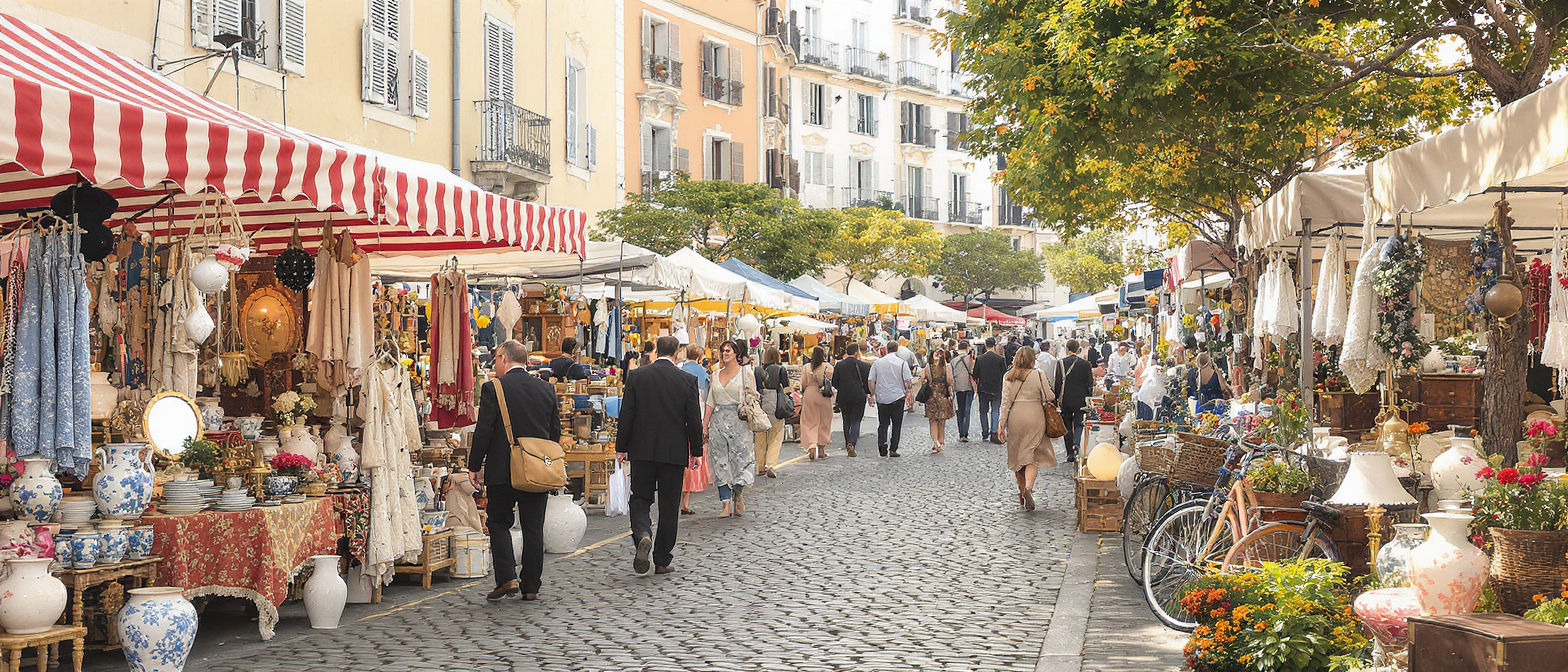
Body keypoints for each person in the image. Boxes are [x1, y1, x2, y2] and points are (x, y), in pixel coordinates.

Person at [468, 340, 560, 601]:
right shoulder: (546, 389)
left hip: (503, 469)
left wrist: (474, 466)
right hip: (537, 468)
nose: (495, 364)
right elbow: (555, 433)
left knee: (498, 522)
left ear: (504, 358)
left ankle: (506, 576)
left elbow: (483, 431)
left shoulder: (493, 388)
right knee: (533, 527)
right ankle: (531, 586)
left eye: (496, 359)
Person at [616, 336, 704, 576]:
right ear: (676, 352)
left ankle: (643, 533)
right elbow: (693, 419)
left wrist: (621, 447)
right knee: (669, 505)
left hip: (642, 449)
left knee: (640, 498)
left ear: (655, 351)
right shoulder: (687, 380)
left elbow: (627, 414)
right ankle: (662, 559)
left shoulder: (637, 377)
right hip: (673, 451)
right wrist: (696, 451)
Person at [996, 347, 1056, 511]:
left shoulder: (1008, 377)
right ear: (1032, 359)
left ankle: (1022, 490)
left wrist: (1001, 423)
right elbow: (1049, 396)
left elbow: (1005, 403)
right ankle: (1029, 488)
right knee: (1032, 455)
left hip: (1015, 417)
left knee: (1017, 457)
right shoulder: (1038, 374)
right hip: (1035, 415)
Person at [705, 341, 757, 518]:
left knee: (740, 460)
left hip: (739, 422)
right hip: (718, 422)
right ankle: (725, 504)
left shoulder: (746, 374)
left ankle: (738, 492)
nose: (725, 353)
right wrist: (704, 426)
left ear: (736, 353)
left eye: (728, 350)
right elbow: (710, 402)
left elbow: (752, 400)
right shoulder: (715, 374)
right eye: (723, 350)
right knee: (719, 461)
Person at [677, 345, 711, 515]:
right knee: (691, 459)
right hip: (696, 416)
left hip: (678, 421)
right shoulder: (702, 372)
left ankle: (678, 498)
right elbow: (706, 396)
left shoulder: (679, 369)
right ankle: (685, 502)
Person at [867, 341, 914, 457]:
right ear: (897, 349)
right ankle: (893, 449)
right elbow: (908, 381)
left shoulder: (877, 363)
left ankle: (882, 446)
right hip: (898, 397)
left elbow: (871, 380)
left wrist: (873, 393)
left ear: (887, 349)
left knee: (883, 423)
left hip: (882, 397)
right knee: (896, 424)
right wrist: (908, 391)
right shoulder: (902, 363)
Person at [753, 346, 791, 478]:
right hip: (776, 406)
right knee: (776, 436)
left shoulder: (758, 370)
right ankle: (771, 464)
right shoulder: (780, 369)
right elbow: (787, 387)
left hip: (761, 405)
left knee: (760, 437)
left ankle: (760, 466)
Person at [1055, 339, 1095, 463]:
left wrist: (1057, 399)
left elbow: (1057, 382)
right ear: (1078, 349)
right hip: (1080, 399)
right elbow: (1090, 383)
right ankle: (1077, 445)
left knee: (1067, 426)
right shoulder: (1085, 364)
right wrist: (1089, 397)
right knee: (1079, 424)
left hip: (1066, 399)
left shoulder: (1061, 363)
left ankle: (1069, 453)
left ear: (1067, 348)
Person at [831, 343, 872, 456]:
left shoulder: (839, 365)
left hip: (843, 396)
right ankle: (852, 442)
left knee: (846, 419)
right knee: (856, 420)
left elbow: (834, 382)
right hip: (858, 396)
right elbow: (867, 383)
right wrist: (869, 394)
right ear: (856, 353)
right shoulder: (864, 366)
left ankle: (847, 440)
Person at [799, 346, 835, 460]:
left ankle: (812, 444)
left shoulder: (807, 367)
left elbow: (803, 384)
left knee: (809, 421)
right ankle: (821, 449)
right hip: (823, 396)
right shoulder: (828, 367)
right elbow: (831, 382)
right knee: (824, 421)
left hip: (809, 395)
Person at [972, 338, 1008, 444]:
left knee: (983, 411)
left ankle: (985, 431)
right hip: (997, 388)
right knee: (995, 410)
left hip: (983, 388)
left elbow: (975, 375)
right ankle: (993, 432)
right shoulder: (1000, 359)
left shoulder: (980, 359)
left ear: (985, 345)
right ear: (994, 345)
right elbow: (1004, 374)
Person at [919, 349, 955, 452]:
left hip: (931, 396)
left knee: (933, 420)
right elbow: (950, 381)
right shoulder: (947, 366)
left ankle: (935, 441)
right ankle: (941, 441)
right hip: (942, 395)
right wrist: (951, 393)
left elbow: (923, 379)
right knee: (942, 420)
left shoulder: (928, 367)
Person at [951, 341, 976, 443]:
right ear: (967, 348)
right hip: (969, 387)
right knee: (967, 410)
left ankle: (961, 433)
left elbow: (951, 375)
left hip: (958, 388)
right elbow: (974, 372)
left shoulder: (953, 361)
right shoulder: (970, 359)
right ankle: (965, 432)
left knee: (959, 411)